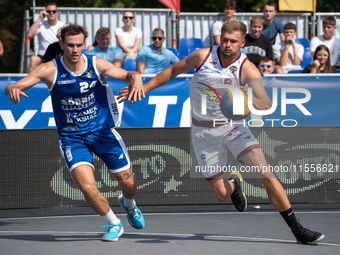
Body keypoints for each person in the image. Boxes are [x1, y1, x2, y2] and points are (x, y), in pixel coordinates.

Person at [118, 20, 324, 245]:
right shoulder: (202, 56)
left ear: (242, 42)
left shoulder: (247, 68)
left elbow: (265, 103)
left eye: (233, 41)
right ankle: (235, 185)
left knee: (267, 176)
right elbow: (173, 70)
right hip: (203, 133)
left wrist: (245, 97)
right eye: (224, 39)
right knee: (221, 194)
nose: (227, 44)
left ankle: (298, 230)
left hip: (233, 128)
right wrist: (143, 89)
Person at [5, 23, 145, 242]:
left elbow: (129, 74)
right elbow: (15, 85)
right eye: (70, 45)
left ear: (84, 45)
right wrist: (11, 89)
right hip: (72, 137)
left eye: (79, 45)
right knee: (87, 187)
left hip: (102, 132)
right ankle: (114, 223)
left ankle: (129, 204)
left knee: (128, 184)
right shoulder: (49, 69)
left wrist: (136, 78)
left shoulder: (96, 64)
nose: (75, 50)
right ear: (61, 44)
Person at [27, 2, 64, 72]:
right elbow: (30, 35)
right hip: (42, 56)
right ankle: (31, 82)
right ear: (45, 12)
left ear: (57, 13)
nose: (51, 13)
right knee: (33, 59)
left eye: (54, 11)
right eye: (48, 11)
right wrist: (40, 18)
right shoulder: (40, 25)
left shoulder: (63, 25)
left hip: (57, 54)